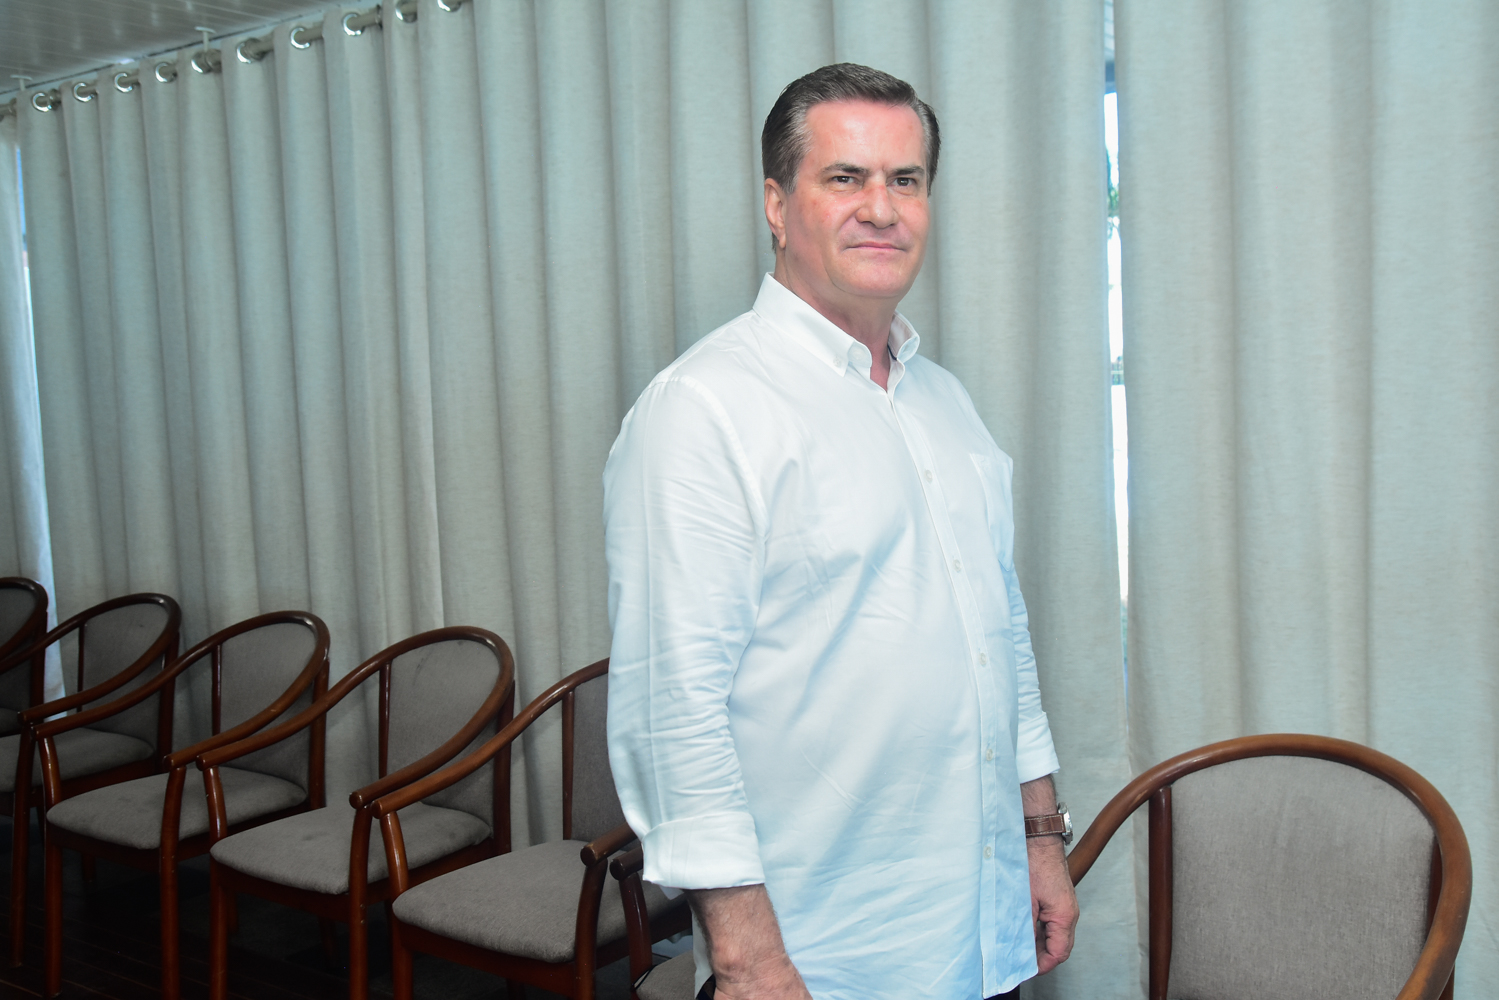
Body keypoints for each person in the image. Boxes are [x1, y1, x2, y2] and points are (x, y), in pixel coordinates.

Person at [603, 63, 1077, 1000]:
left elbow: (1001, 638)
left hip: (980, 931)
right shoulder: (701, 409)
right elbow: (673, 709)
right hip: (822, 958)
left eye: (905, 179)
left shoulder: (945, 403)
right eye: (845, 178)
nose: (881, 208)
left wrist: (1039, 838)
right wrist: (746, 961)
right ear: (777, 205)